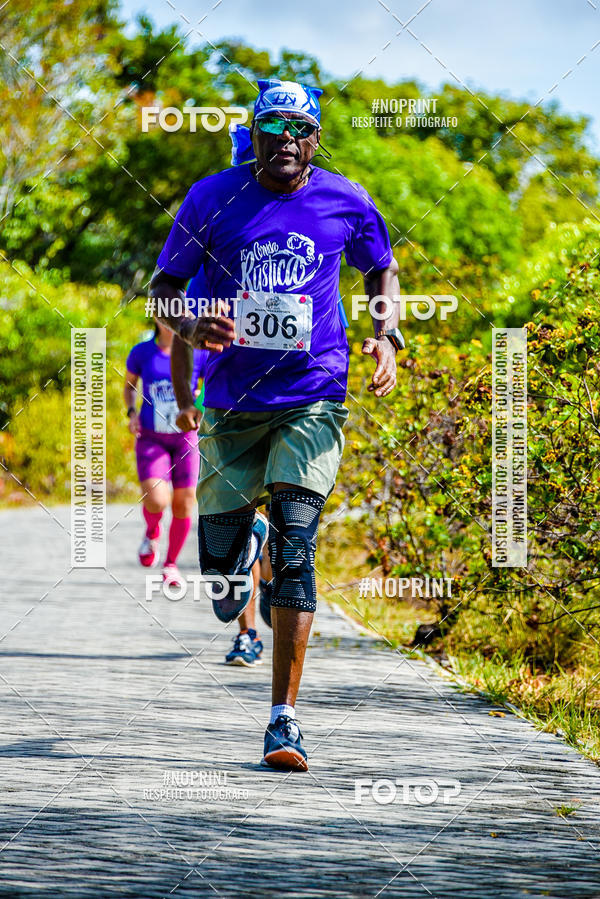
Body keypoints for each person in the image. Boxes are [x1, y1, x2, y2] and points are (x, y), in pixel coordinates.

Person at [150, 78, 403, 771]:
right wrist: (191, 323)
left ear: (316, 138)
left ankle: (283, 721)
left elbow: (381, 268)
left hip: (313, 393)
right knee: (221, 576)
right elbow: (161, 292)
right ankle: (234, 550)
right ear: (253, 135)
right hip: (232, 403)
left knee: (297, 540)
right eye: (273, 128)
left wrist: (387, 334)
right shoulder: (212, 198)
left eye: (300, 129)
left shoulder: (347, 199)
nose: (287, 140)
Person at [171, 270, 265, 667]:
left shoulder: (306, 268)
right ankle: (247, 634)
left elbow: (331, 330)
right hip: (230, 414)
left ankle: (280, 594)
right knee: (239, 532)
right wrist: (184, 403)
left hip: (297, 408)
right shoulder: (209, 274)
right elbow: (182, 338)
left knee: (285, 526)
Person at [124, 321, 207, 588]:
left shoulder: (198, 351)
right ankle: (152, 531)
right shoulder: (142, 352)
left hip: (186, 438)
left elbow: (210, 384)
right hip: (152, 438)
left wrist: (199, 403)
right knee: (157, 501)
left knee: (184, 504)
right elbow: (129, 386)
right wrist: (132, 413)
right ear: (158, 318)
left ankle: (171, 564)